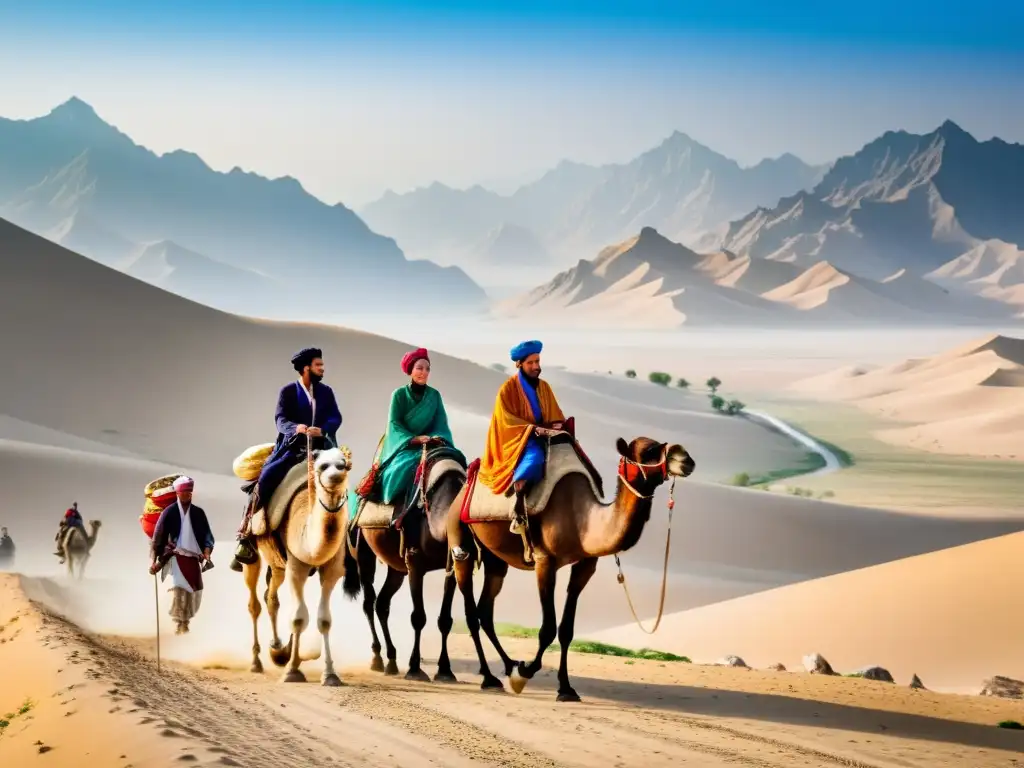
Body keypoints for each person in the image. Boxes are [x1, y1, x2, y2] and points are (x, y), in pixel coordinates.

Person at [230, 347, 343, 571]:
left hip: (322, 447)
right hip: (292, 449)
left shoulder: (327, 392)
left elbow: (335, 416)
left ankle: (346, 537)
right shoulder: (288, 392)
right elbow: (280, 418)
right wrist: (295, 428)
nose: (323, 368)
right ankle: (246, 535)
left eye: (322, 364)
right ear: (306, 368)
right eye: (318, 365)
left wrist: (323, 429)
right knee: (266, 477)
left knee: (340, 478)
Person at [452, 339, 565, 561]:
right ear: (520, 364)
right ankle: (519, 506)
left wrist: (556, 426)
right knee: (534, 460)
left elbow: (554, 414)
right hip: (518, 441)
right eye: (531, 362)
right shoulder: (508, 390)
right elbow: (506, 424)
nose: (536, 366)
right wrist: (534, 430)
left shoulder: (544, 387)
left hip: (546, 436)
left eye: (538, 361)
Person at [354, 348, 465, 525]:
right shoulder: (398, 395)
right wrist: (414, 439)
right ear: (410, 370)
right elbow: (394, 424)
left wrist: (436, 437)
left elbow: (441, 423)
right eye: (420, 368)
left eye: (427, 369)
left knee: (456, 461)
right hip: (405, 446)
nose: (424, 372)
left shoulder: (434, 395)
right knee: (401, 469)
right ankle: (399, 512)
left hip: (432, 445)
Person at [149, 476, 215, 635]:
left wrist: (207, 552)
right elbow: (158, 537)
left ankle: (186, 619)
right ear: (178, 493)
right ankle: (180, 621)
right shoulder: (169, 512)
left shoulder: (198, 513)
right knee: (178, 586)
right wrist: (152, 560)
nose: (187, 494)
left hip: (193, 558)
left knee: (194, 591)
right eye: (184, 492)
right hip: (174, 555)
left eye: (189, 492)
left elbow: (207, 536)